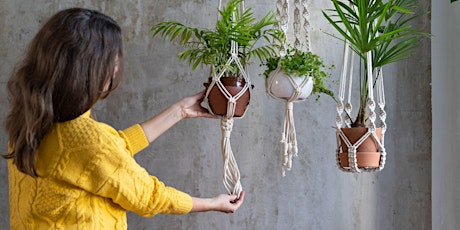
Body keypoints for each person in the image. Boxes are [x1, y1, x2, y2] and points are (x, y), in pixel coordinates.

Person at [3, 7, 244, 229]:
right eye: (113, 58)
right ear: (92, 68)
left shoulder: (30, 122)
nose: (117, 66)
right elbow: (147, 196)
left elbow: (109, 151)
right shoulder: (86, 141)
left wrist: (179, 110)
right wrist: (213, 203)